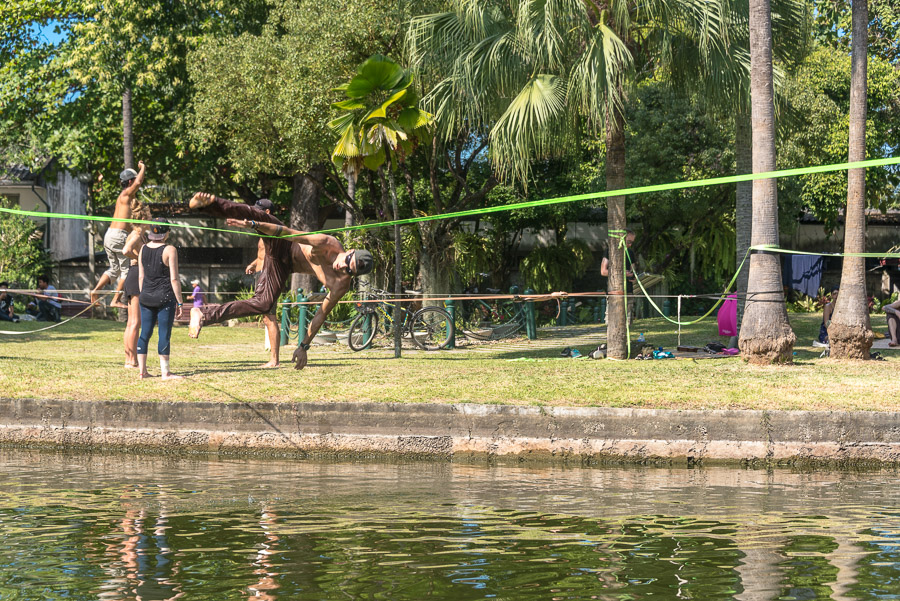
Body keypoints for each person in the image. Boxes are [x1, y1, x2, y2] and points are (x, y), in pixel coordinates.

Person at [186, 191, 373, 370]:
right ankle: (210, 205)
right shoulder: (326, 243)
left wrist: (304, 346)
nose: (344, 267)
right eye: (348, 262)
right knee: (263, 217)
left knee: (263, 304)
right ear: (350, 252)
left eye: (350, 270)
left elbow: (320, 315)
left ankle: (204, 314)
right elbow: (287, 232)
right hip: (285, 244)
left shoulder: (341, 284)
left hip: (284, 267)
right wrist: (254, 225)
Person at [91, 161, 146, 309]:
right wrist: (143, 168)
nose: (136, 184)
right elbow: (139, 181)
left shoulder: (123, 198)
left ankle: (95, 291)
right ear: (130, 182)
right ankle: (115, 299)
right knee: (126, 270)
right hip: (118, 236)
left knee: (114, 270)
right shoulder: (127, 193)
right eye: (134, 181)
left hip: (109, 235)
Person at [137, 219, 185, 380]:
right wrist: (179, 301)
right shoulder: (170, 249)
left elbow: (141, 276)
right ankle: (166, 372)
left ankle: (142, 371)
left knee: (145, 333)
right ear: (167, 233)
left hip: (145, 296)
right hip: (164, 297)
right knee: (164, 333)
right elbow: (174, 279)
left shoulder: (143, 249)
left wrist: (143, 294)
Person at [121, 205, 152, 368]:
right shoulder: (138, 233)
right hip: (135, 275)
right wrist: (140, 258)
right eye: (149, 215)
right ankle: (131, 360)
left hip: (133, 275)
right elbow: (126, 250)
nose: (151, 217)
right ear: (143, 217)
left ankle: (129, 359)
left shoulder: (140, 234)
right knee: (135, 322)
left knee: (131, 322)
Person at [600, 230, 640, 324]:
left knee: (627, 322)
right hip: (615, 292)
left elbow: (632, 270)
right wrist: (622, 274)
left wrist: (633, 276)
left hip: (628, 292)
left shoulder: (630, 253)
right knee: (611, 322)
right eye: (628, 242)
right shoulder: (610, 251)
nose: (630, 245)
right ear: (622, 238)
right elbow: (603, 271)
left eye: (632, 242)